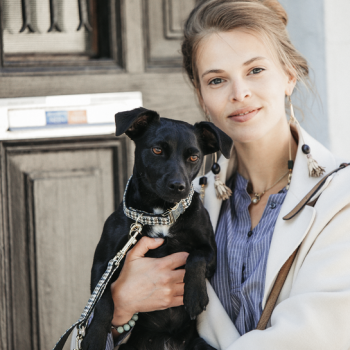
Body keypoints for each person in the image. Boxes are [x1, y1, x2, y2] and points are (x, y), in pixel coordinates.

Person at [75, 0, 350, 349]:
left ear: (289, 75)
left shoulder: (339, 198)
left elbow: (317, 335)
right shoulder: (187, 201)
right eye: (217, 79)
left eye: (255, 70)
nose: (240, 93)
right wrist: (120, 310)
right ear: (202, 97)